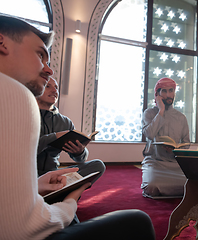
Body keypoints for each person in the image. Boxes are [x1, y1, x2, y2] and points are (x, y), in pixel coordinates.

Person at [0, 15, 155, 240]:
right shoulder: (16, 96)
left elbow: (82, 159)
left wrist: (75, 153)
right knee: (138, 222)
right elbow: (21, 228)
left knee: (95, 166)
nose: (48, 70)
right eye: (40, 55)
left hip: (46, 178)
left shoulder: (63, 120)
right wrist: (70, 202)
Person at [36, 76, 105, 184]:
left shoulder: (65, 122)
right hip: (29, 174)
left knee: (97, 165)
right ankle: (60, 193)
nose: (54, 91)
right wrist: (55, 137)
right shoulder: (27, 115)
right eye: (48, 86)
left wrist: (80, 152)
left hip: (54, 174)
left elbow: (80, 160)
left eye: (56, 88)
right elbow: (26, 150)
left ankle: (53, 191)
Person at [141, 77, 190, 198]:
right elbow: (149, 134)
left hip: (176, 163)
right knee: (152, 187)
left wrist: (176, 150)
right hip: (155, 162)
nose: (168, 95)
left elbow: (186, 143)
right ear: (157, 94)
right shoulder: (149, 113)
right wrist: (161, 111)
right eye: (164, 91)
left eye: (171, 90)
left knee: (192, 185)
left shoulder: (181, 117)